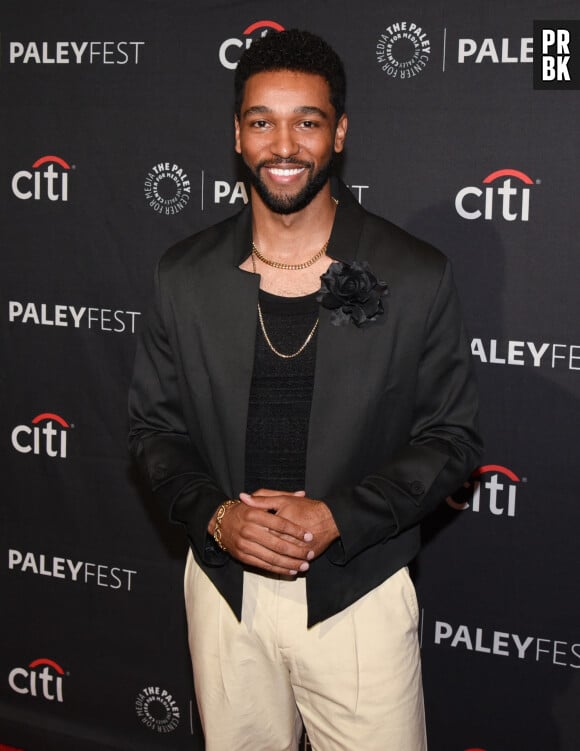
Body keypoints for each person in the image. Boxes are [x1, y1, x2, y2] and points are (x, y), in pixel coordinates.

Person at [129, 29, 481, 751]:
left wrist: (339, 515)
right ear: (237, 133)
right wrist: (218, 516)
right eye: (262, 120)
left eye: (307, 121)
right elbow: (153, 432)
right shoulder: (183, 275)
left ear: (339, 133)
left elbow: (452, 439)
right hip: (226, 591)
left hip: (359, 589)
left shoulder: (414, 274)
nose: (283, 144)